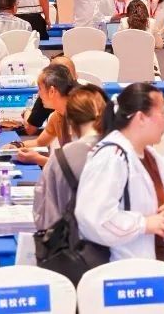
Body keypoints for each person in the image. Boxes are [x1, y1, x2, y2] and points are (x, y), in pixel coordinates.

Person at [76, 82, 164, 261]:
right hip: (123, 267)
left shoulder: (149, 155)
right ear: (141, 118)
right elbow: (93, 218)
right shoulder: (111, 156)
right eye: (163, 113)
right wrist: (144, 224)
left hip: (154, 264)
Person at [33, 84, 109, 231]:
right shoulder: (124, 151)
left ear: (70, 122)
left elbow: (43, 216)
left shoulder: (61, 158)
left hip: (73, 241)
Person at [7, 64, 78, 166]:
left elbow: (79, 165)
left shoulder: (81, 117)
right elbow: (39, 142)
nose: (38, 93)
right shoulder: (56, 116)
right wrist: (16, 145)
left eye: (40, 89)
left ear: (52, 91)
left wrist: (38, 159)